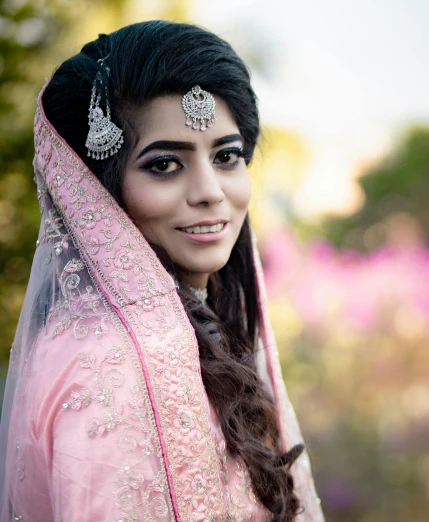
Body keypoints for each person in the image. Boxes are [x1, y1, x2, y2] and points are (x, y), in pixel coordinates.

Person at [0, 21, 324, 522]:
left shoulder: (196, 331)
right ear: (96, 189)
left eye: (227, 156)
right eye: (165, 165)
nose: (210, 191)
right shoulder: (106, 364)